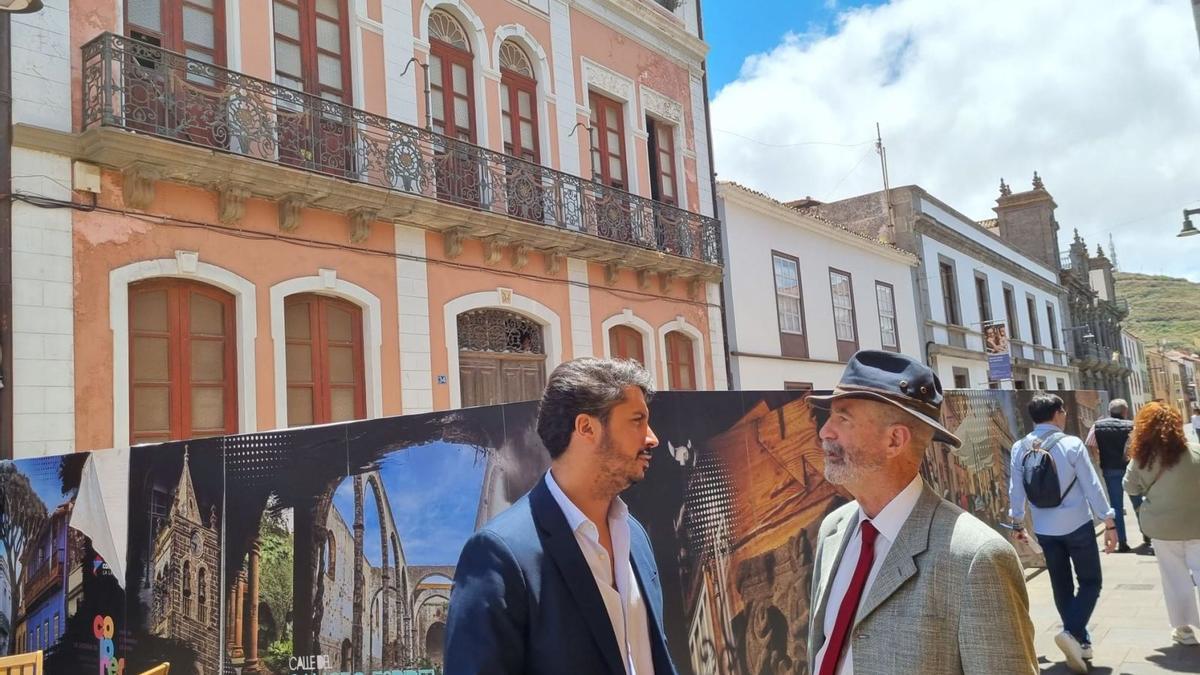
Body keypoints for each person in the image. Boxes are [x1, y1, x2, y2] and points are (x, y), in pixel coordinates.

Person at [806, 350, 1037, 675]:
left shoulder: (976, 558)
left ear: (894, 440)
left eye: (843, 418)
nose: (825, 432)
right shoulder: (833, 529)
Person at [444, 358, 677, 675]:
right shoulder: (499, 555)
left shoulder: (634, 537)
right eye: (637, 420)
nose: (652, 438)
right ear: (586, 428)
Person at [1009, 394, 1116, 673]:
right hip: (1078, 525)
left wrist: (1018, 523)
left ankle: (1081, 641)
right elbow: (1091, 485)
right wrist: (1109, 520)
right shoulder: (1071, 444)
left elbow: (1015, 491)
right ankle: (1070, 633)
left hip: (1044, 529)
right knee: (1091, 582)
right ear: (1057, 413)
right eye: (1064, 411)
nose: (1066, 415)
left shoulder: (1020, 447)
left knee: (1061, 584)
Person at [1123, 402, 1200, 646]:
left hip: (1162, 527)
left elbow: (1129, 486)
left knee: (1174, 577)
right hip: (1197, 524)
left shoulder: (1142, 459)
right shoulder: (1196, 451)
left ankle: (1184, 630)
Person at [1085, 399, 1144, 552]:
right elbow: (1139, 446)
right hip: (1131, 469)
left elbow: (1090, 443)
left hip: (1110, 469)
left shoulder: (1097, 426)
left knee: (1116, 506)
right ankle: (1146, 534)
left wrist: (1097, 458)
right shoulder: (1132, 425)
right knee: (1138, 500)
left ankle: (1122, 541)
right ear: (1125, 411)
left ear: (1110, 411)